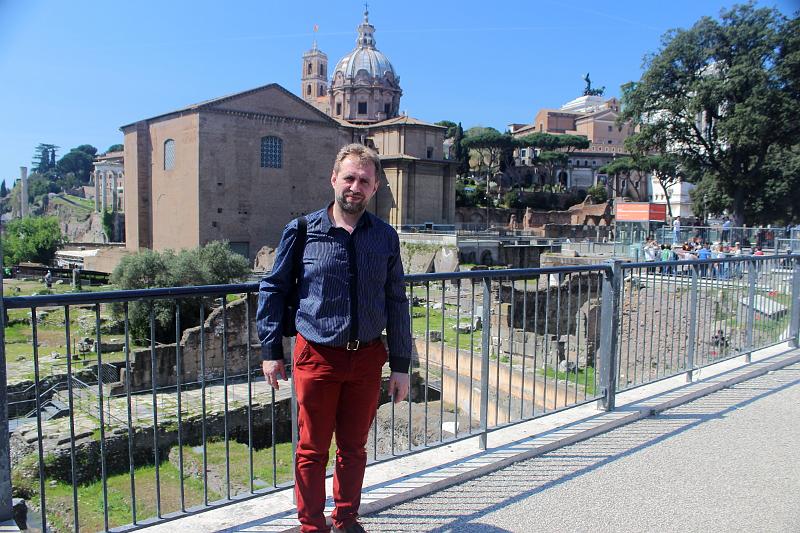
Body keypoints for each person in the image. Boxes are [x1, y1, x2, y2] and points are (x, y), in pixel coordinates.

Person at [257, 143, 412, 533]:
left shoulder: (385, 237)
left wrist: (402, 366)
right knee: (311, 449)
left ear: (375, 187)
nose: (355, 187)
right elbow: (273, 288)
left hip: (367, 358)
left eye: (364, 180)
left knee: (354, 448)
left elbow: (396, 300)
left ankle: (345, 519)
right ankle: (312, 526)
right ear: (334, 179)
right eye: (349, 178)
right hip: (316, 355)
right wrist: (271, 350)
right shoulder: (303, 230)